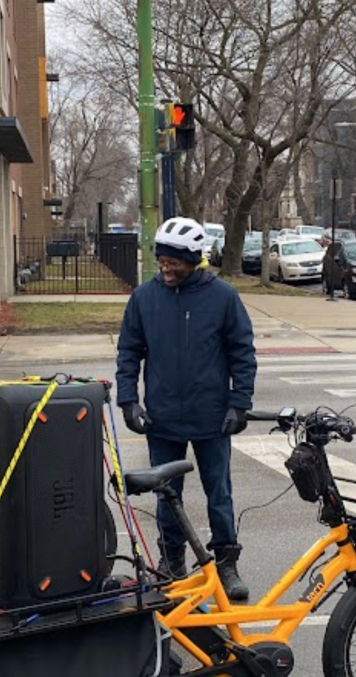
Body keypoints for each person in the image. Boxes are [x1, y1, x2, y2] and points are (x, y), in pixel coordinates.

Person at [116, 217, 257, 601]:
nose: (166, 267)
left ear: (194, 259)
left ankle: (225, 562)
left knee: (219, 494)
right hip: (162, 418)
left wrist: (239, 404)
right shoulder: (144, 298)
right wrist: (129, 400)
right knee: (167, 495)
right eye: (162, 259)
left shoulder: (223, 297)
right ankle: (171, 560)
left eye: (174, 261)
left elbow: (241, 352)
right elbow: (129, 351)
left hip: (211, 417)